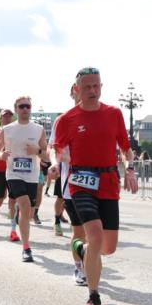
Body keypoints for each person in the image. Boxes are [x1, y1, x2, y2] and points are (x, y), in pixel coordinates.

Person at [53, 69, 139, 305]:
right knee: (95, 234)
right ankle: (93, 297)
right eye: (86, 87)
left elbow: (125, 148)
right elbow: (56, 148)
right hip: (81, 182)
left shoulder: (114, 113)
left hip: (108, 181)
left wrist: (130, 169)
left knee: (107, 248)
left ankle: (82, 249)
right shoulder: (67, 119)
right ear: (76, 89)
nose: (92, 91)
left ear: (101, 86)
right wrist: (56, 163)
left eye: (96, 86)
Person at [0, 96, 48, 262]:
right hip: (13, 173)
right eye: (22, 106)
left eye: (27, 106)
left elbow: (46, 154)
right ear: (16, 109)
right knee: (24, 205)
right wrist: (1, 155)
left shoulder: (39, 129)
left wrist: (37, 151)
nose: (25, 109)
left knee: (28, 212)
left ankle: (20, 218)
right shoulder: (7, 129)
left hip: (32, 175)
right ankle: (26, 248)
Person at [49, 85, 87, 279]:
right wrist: (55, 163)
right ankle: (80, 267)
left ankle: (88, 263)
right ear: (73, 92)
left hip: (99, 184)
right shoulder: (63, 120)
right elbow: (52, 148)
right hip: (72, 182)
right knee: (80, 231)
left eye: (92, 87)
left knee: (98, 235)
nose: (87, 92)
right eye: (81, 89)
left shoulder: (104, 116)